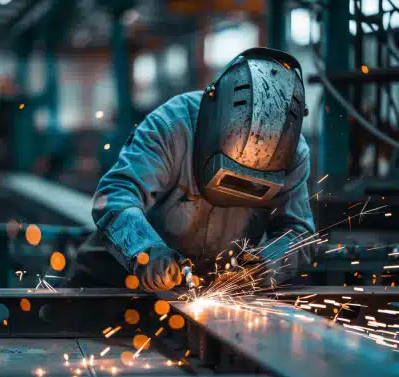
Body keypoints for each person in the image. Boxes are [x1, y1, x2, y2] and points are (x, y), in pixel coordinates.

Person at [68, 47, 315, 292]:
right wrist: (146, 251)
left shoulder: (293, 153)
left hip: (210, 292)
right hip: (118, 281)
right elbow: (114, 197)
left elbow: (298, 233)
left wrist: (266, 263)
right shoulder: (171, 126)